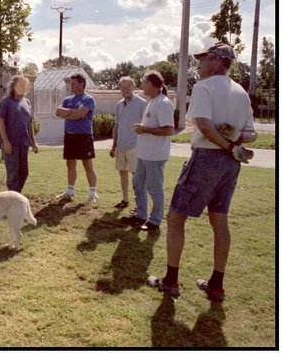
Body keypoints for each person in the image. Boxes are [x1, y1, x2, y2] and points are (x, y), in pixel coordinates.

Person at [147, 43, 257, 301]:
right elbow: (250, 134)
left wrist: (229, 143)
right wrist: (235, 142)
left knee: (176, 218)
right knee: (219, 220)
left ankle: (171, 281)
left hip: (207, 157)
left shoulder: (203, 87)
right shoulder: (241, 92)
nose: (199, 63)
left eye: (204, 58)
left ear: (218, 60)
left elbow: (204, 125)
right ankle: (216, 285)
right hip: (231, 163)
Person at [120, 70, 174, 231]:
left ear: (151, 84)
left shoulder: (163, 103)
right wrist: (143, 129)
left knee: (154, 187)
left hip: (155, 155)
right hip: (143, 154)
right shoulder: (152, 101)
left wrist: (144, 130)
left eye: (143, 83)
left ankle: (155, 221)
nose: (141, 86)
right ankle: (141, 215)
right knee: (138, 184)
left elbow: (168, 130)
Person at [55, 73, 98, 203]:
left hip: (84, 136)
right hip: (70, 136)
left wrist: (69, 113)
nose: (71, 85)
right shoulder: (67, 99)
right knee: (70, 164)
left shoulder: (88, 99)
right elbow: (57, 112)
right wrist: (75, 113)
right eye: (70, 83)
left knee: (87, 165)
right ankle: (70, 191)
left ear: (81, 83)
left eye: (73, 83)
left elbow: (79, 114)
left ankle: (93, 193)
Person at [0, 75, 39, 193]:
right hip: (11, 144)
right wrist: (6, 142)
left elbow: (30, 124)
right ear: (14, 86)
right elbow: (0, 122)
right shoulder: (6, 102)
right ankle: (14, 198)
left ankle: (15, 196)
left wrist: (34, 143)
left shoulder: (27, 102)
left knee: (24, 172)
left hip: (24, 143)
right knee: (13, 173)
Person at [109, 76, 147, 209]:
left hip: (135, 146)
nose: (125, 90)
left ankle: (140, 206)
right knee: (122, 173)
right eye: (122, 87)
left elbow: (146, 125)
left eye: (128, 87)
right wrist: (113, 146)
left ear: (134, 87)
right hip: (121, 146)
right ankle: (125, 200)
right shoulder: (119, 105)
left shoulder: (142, 103)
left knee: (137, 177)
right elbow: (116, 126)